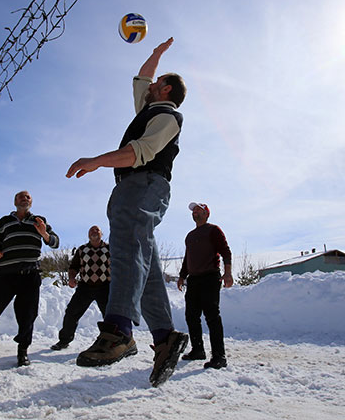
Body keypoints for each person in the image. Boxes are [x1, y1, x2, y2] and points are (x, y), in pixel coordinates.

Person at [66, 37, 189, 387]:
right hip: (133, 186)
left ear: (164, 89)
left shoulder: (168, 117)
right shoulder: (148, 110)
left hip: (144, 182)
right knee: (144, 259)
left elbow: (140, 152)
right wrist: (155, 54)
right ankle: (165, 336)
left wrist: (97, 161)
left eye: (155, 83)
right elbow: (140, 80)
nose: (146, 87)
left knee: (127, 245)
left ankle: (118, 329)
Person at [0, 190, 59, 370]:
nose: (24, 199)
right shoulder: (4, 222)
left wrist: (44, 234)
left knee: (28, 315)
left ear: (31, 202)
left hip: (30, 274)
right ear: (15, 201)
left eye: (28, 197)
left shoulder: (39, 220)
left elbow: (55, 242)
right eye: (20, 197)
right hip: (4, 274)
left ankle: (22, 352)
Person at [177, 202, 233, 369]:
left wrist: (228, 272)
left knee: (212, 317)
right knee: (191, 316)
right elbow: (188, 259)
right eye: (193, 211)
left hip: (210, 277)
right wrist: (181, 276)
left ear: (206, 213)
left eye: (198, 210)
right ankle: (198, 350)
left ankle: (219, 356)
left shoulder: (213, 230)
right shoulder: (189, 236)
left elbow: (225, 251)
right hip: (193, 280)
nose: (195, 212)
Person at [51, 225, 111, 351]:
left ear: (102, 234)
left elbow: (119, 266)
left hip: (105, 287)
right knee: (71, 312)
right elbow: (74, 267)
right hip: (85, 287)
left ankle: (112, 343)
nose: (94, 232)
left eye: (97, 230)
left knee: (110, 316)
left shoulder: (110, 248)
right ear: (88, 235)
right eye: (91, 230)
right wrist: (72, 278)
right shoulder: (82, 250)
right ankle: (64, 341)